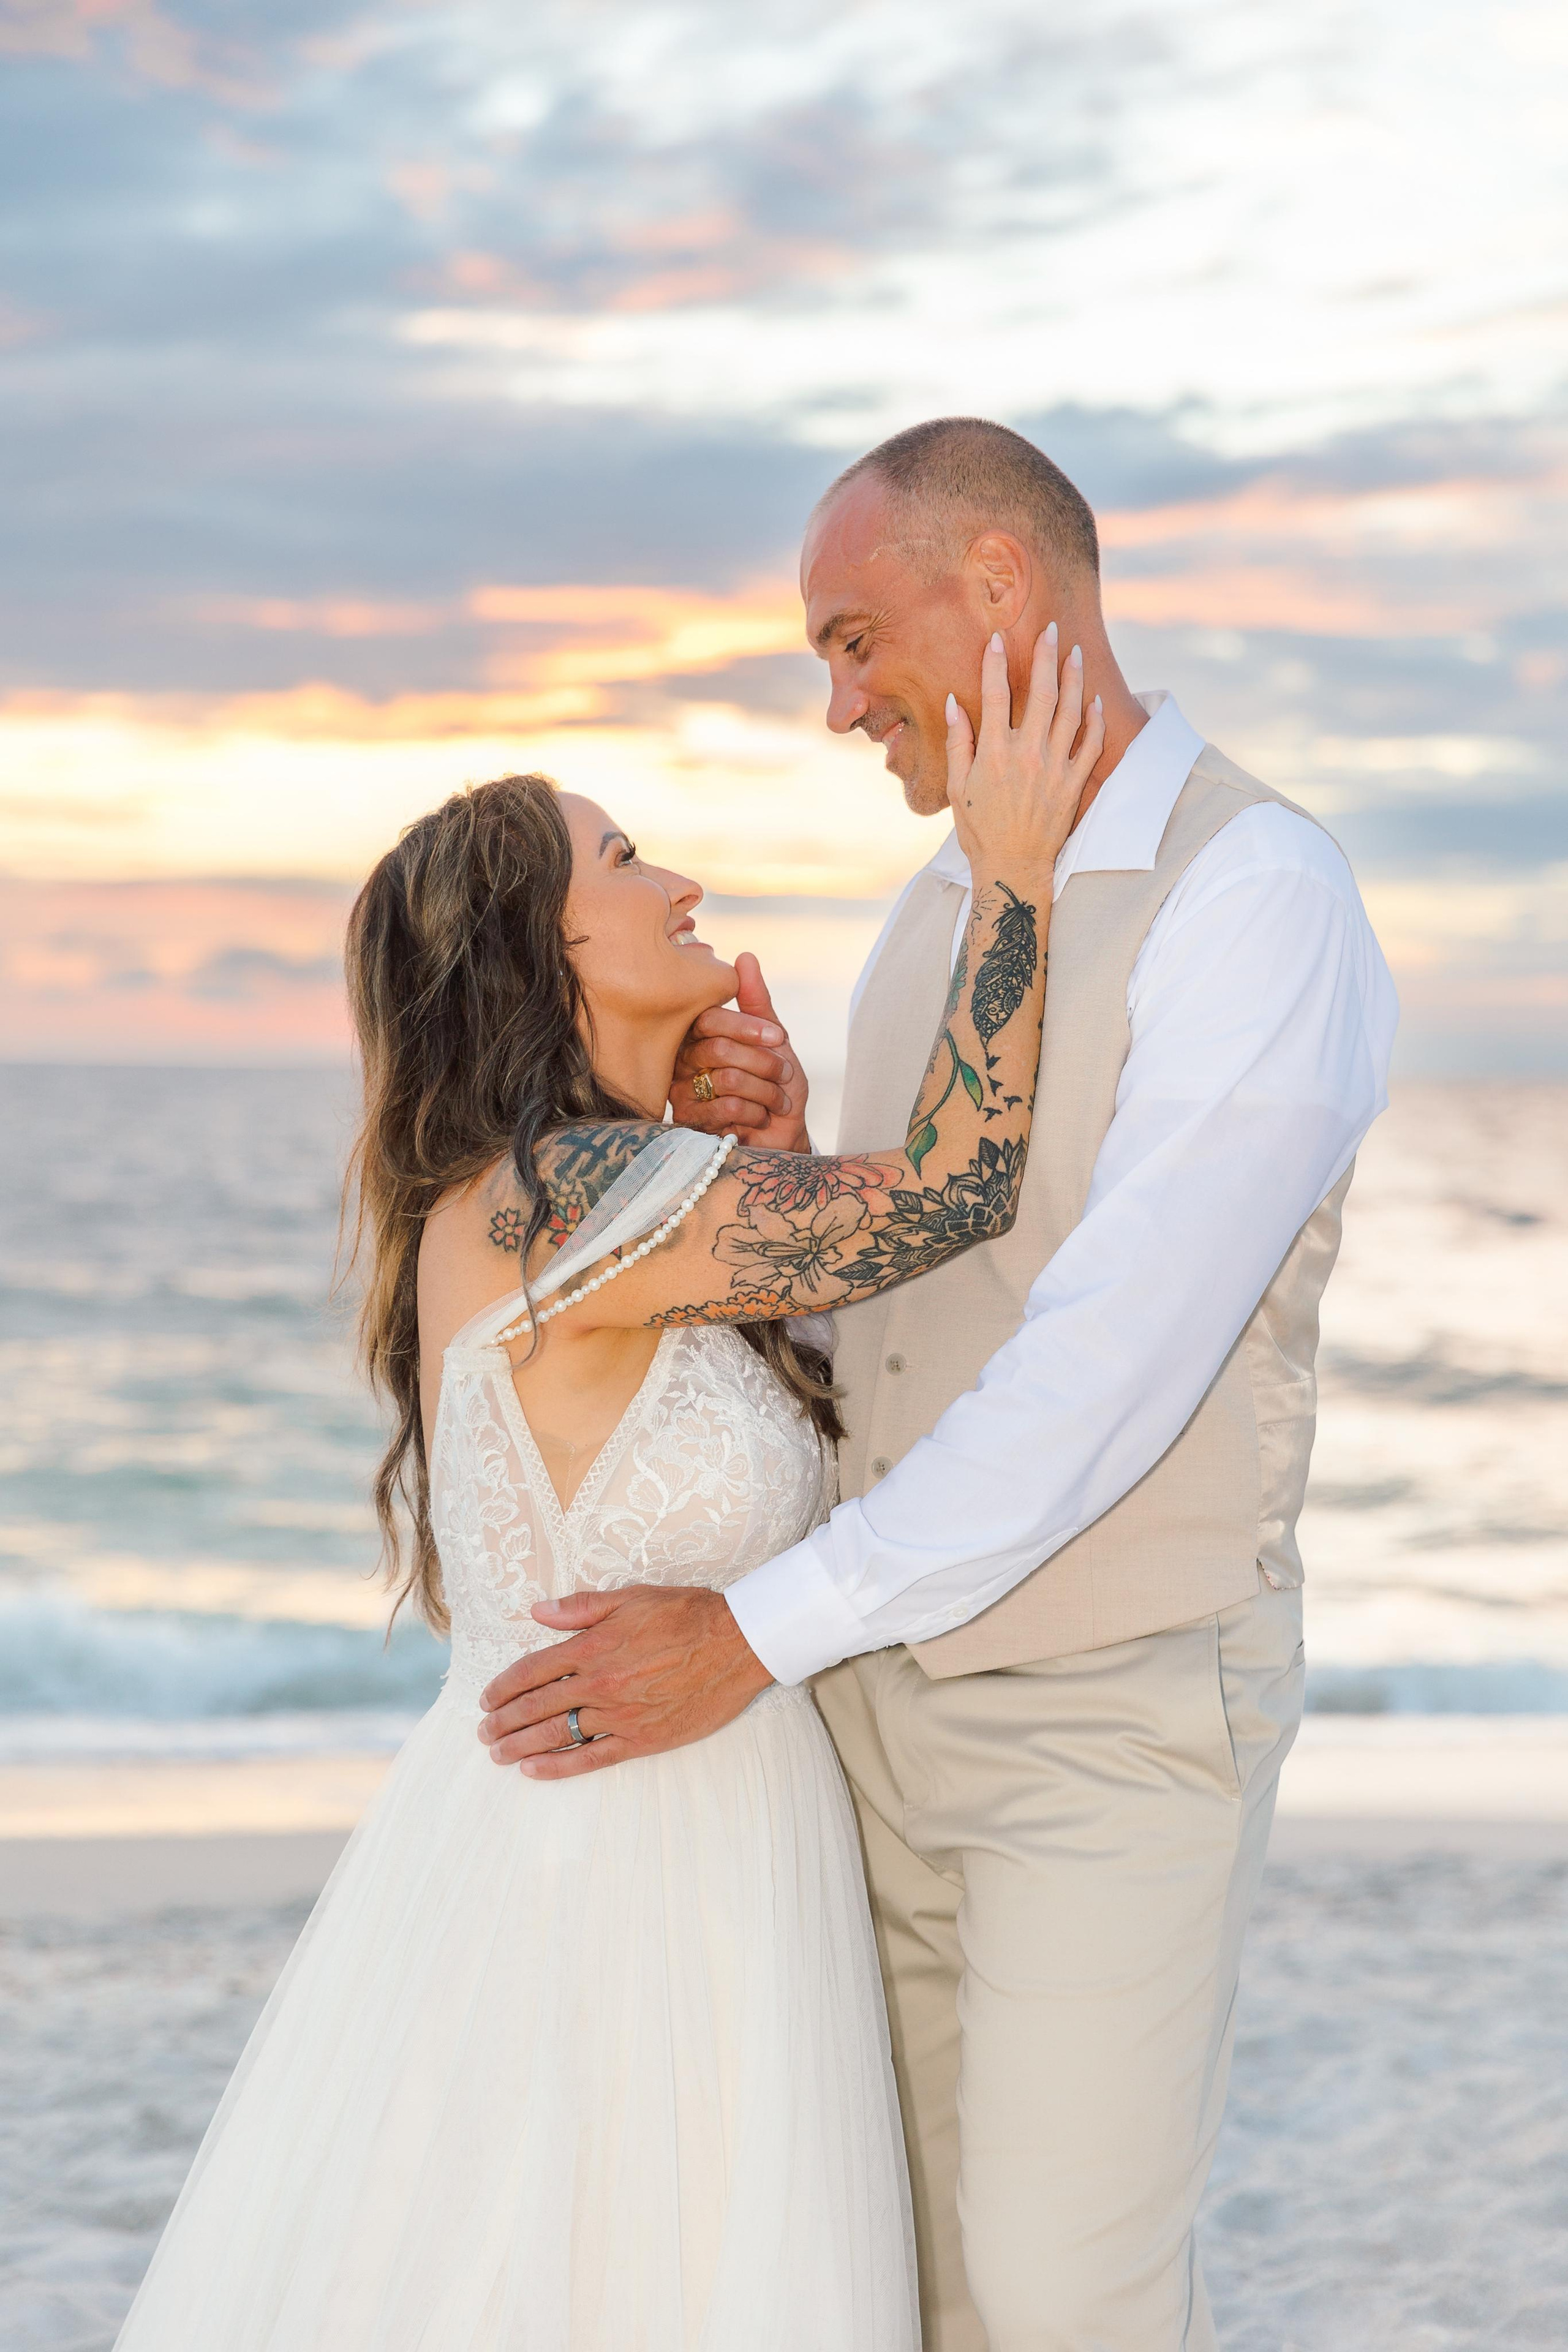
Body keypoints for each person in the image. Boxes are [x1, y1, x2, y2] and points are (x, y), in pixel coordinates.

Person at [477, 418, 1400, 2351]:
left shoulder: (1258, 895)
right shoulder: (944, 907)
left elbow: (1112, 1365)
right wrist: (792, 1181)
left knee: (1067, 2292)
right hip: (870, 1711)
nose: (837, 707)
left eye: (848, 639)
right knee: (897, 2278)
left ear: (998, 586)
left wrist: (752, 1632)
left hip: (1106, 1713)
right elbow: (903, 1331)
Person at [111, 626, 1102, 2351]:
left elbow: (777, 1339)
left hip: (669, 1840)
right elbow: (946, 1196)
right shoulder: (563, 1194)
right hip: (615, 1879)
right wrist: (1013, 876)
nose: (684, 882)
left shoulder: (578, 1198)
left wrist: (752, 1145)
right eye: (627, 862)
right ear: (536, 946)